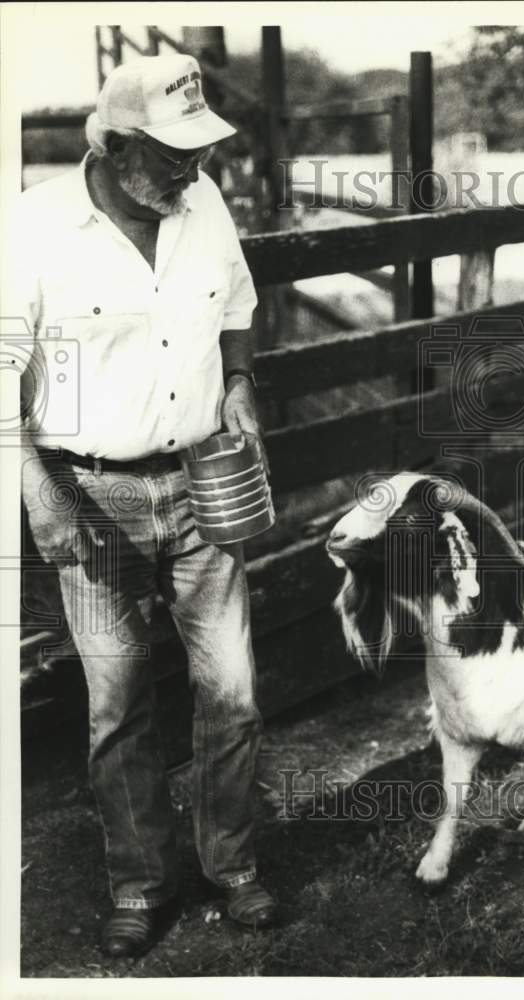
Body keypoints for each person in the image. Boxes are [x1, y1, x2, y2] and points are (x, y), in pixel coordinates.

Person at [10, 53, 276, 958]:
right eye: (171, 156)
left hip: (204, 483)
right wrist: (37, 493)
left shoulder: (200, 204)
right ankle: (138, 882)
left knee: (231, 691)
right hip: (90, 493)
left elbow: (236, 303)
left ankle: (234, 867)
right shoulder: (34, 226)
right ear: (116, 144)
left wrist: (238, 381)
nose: (190, 171)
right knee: (119, 702)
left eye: (198, 154)